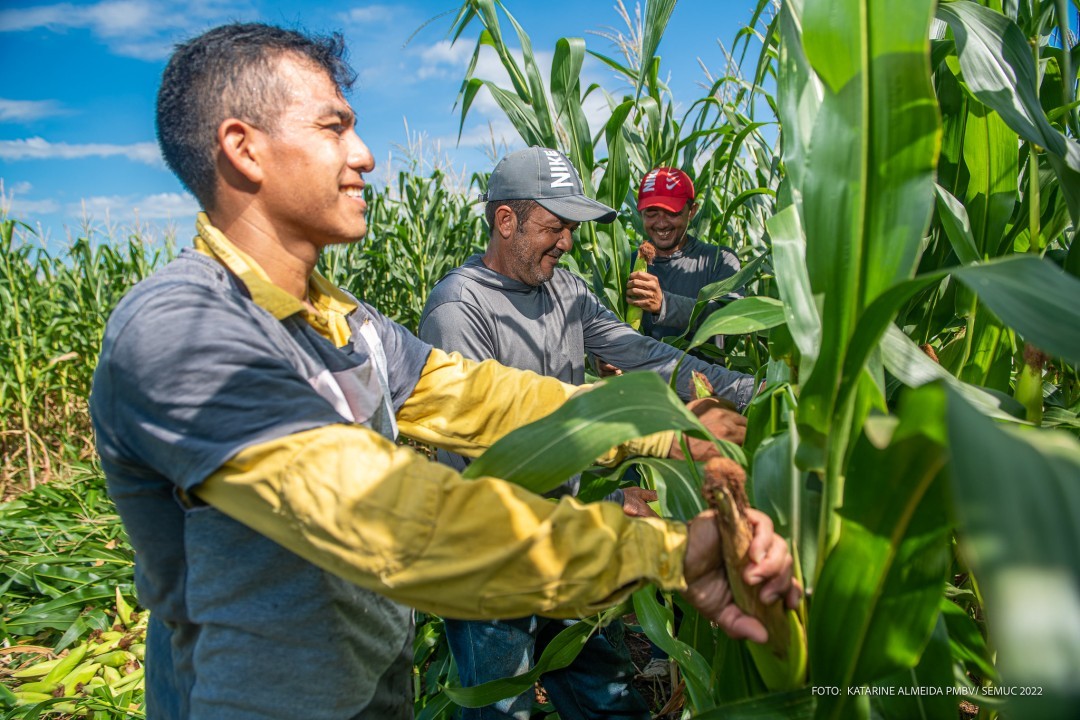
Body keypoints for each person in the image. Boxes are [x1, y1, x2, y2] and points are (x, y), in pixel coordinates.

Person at [87, 24, 799, 720]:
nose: (364, 155)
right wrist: (661, 550)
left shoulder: (347, 322)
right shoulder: (182, 330)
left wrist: (663, 432)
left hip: (374, 691)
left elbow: (483, 395)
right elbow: (390, 519)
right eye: (334, 128)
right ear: (244, 149)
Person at [417, 147, 759, 719]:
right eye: (555, 226)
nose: (568, 242)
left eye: (570, 228)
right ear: (507, 222)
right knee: (502, 706)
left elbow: (647, 357)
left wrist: (754, 394)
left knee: (611, 698)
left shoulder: (565, 292)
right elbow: (492, 449)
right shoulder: (460, 310)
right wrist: (605, 500)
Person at [625, 167, 743, 348]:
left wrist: (665, 305)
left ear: (692, 211)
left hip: (702, 376)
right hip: (640, 375)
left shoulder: (719, 261)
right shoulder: (625, 263)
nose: (661, 223)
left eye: (672, 213)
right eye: (651, 213)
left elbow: (734, 318)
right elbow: (600, 322)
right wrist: (600, 359)